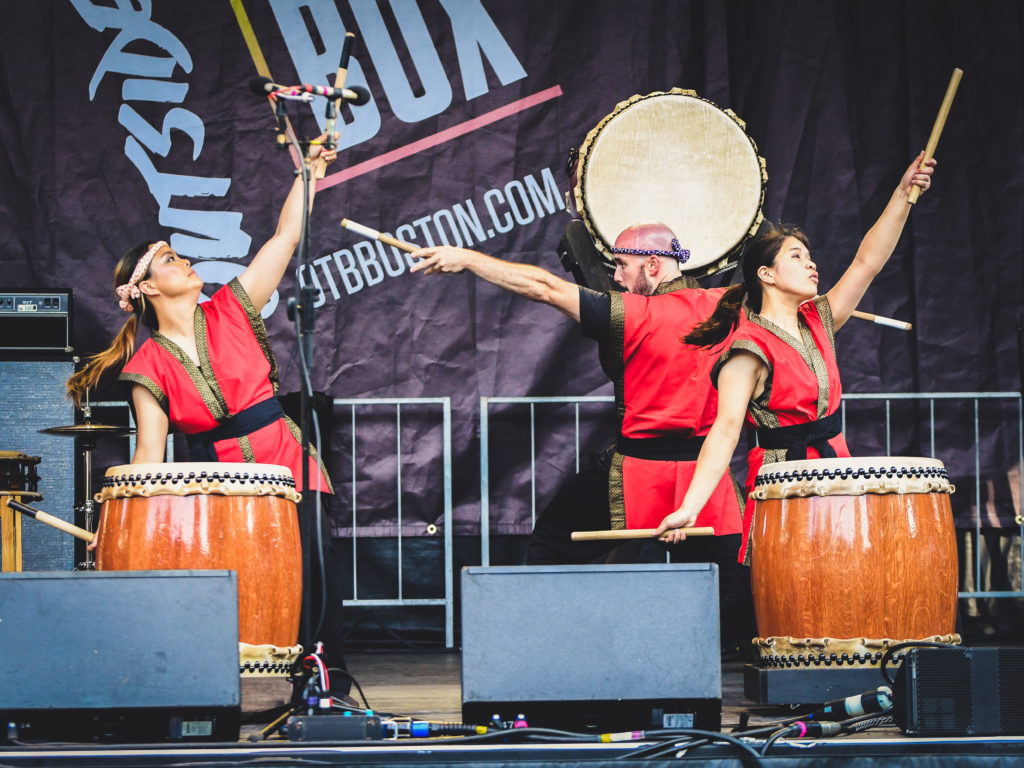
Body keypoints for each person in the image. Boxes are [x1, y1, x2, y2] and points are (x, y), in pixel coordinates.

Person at [66, 131, 350, 677]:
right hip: (219, 488)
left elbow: (284, 238)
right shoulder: (146, 365)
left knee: (311, 583)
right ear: (146, 288)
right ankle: (234, 688)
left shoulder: (233, 310)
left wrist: (307, 173)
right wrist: (123, 522)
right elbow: (149, 453)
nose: (185, 260)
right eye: (170, 260)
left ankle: (323, 686)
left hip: (288, 466)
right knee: (244, 590)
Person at [410, 223, 746, 632]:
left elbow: (544, 287)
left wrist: (467, 259)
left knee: (550, 544)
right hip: (706, 479)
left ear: (654, 265)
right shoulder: (728, 307)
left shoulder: (634, 313)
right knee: (727, 583)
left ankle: (552, 644)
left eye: (622, 266)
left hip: (637, 471)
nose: (617, 277)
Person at [655, 152, 937, 569]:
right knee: (796, 593)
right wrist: (690, 507)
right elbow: (726, 430)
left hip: (837, 469)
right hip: (784, 482)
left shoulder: (818, 320)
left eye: (809, 256)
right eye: (796, 256)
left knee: (843, 583)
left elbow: (867, 262)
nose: (811, 263)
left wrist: (902, 194)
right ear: (766, 275)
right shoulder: (747, 350)